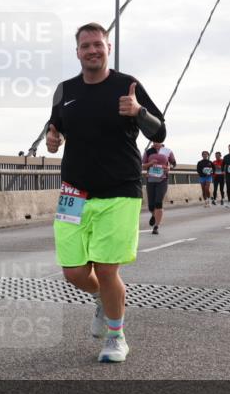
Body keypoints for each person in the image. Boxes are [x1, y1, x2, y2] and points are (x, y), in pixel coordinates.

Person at [46, 22, 166, 364]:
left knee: (106, 266)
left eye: (98, 44)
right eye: (86, 46)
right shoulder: (65, 89)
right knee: (73, 272)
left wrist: (138, 111)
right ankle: (103, 298)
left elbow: (160, 128)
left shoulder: (127, 86)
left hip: (119, 191)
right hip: (74, 191)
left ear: (108, 48)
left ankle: (116, 336)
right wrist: (51, 140)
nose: (92, 50)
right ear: (77, 52)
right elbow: (54, 128)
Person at [144, 142, 176, 232]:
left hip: (163, 180)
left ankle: (156, 226)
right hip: (150, 180)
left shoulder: (167, 151)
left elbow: (174, 163)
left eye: (157, 141)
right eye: (154, 141)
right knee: (151, 206)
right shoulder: (148, 151)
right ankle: (154, 215)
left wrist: (169, 168)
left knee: (158, 203)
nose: (155, 142)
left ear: (161, 141)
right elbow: (143, 166)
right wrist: (150, 163)